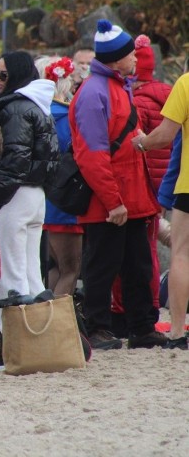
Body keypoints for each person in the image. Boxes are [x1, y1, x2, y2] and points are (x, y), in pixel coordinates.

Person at [69, 20, 167, 350]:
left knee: (136, 265)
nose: (137, 59)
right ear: (116, 59)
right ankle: (98, 328)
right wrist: (113, 201)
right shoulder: (95, 93)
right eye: (131, 54)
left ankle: (141, 327)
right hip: (111, 202)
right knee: (102, 267)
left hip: (130, 197)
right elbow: (91, 156)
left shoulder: (114, 86)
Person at [0, 51, 59, 372]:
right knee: (31, 275)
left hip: (13, 198)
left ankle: (13, 351)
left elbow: (13, 161)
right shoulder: (40, 106)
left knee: (7, 277)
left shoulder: (15, 109)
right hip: (36, 196)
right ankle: (41, 345)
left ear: (15, 76)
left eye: (2, 75)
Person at [111, 34, 171, 335]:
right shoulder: (169, 94)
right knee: (148, 250)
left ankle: (130, 310)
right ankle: (151, 305)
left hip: (143, 183)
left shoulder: (136, 101)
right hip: (167, 181)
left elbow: (137, 144)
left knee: (138, 252)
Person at [131, 69, 189, 349]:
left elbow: (165, 135)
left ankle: (177, 331)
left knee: (181, 255)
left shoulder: (186, 84)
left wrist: (142, 142)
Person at [42, 57, 83, 297]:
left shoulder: (38, 113)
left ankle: (47, 321)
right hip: (66, 201)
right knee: (70, 269)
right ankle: (59, 328)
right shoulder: (68, 117)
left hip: (45, 198)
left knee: (53, 267)